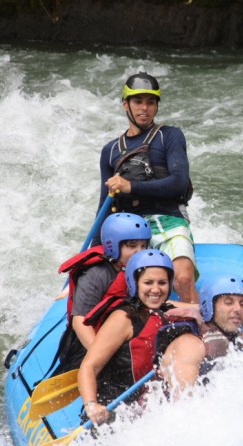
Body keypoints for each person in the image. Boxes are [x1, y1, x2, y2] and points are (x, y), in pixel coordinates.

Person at [95, 71, 198, 303]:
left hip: (169, 220)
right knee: (125, 291)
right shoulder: (110, 151)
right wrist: (92, 253)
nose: (145, 108)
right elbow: (104, 205)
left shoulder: (169, 136)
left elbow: (179, 182)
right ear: (125, 104)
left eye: (151, 102)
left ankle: (201, 328)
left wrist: (131, 186)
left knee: (181, 279)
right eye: (138, 101)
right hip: (130, 230)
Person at [78, 249, 205, 425]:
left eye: (162, 283)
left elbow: (202, 309)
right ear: (134, 283)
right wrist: (91, 405)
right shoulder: (123, 318)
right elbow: (89, 366)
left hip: (146, 407)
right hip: (113, 411)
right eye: (148, 282)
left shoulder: (165, 308)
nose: (155, 289)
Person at [52, 213, 151, 375]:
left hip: (123, 333)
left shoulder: (144, 268)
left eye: (143, 246)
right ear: (113, 246)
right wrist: (101, 357)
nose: (139, 252)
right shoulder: (97, 274)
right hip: (89, 342)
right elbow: (79, 321)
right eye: (132, 246)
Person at [196, 274, 243, 376]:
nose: (238, 309)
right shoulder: (195, 345)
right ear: (209, 306)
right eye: (228, 302)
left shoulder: (242, 338)